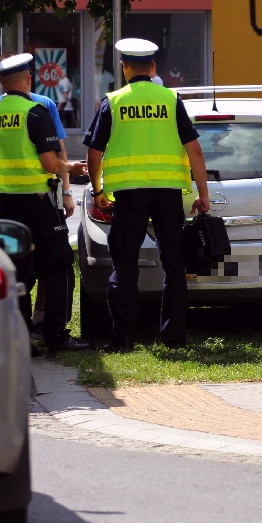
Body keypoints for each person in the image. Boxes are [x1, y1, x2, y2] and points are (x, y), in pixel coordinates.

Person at [83, 38, 211, 352]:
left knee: (125, 264)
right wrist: (203, 195)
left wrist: (99, 190)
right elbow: (194, 150)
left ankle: (123, 337)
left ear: (124, 68)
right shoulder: (171, 99)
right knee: (173, 263)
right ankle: (174, 337)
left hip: (128, 195)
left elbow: (94, 153)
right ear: (152, 68)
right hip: (167, 194)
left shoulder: (113, 102)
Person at [0, 53, 90, 356]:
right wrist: (72, 170)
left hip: (3, 206)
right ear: (28, 78)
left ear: (1, 82)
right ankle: (55, 336)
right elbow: (50, 163)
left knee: (17, 272)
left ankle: (21, 339)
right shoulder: (35, 112)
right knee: (57, 263)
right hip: (37, 204)